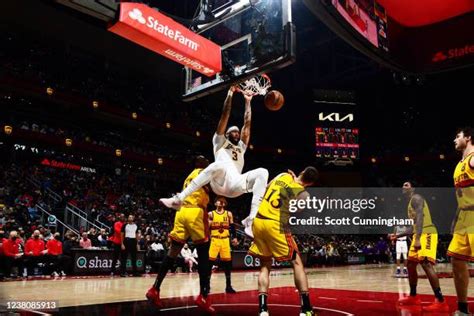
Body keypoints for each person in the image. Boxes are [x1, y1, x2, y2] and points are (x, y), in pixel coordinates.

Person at [160, 87, 268, 237]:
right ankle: (179, 199)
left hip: (235, 185)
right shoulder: (220, 142)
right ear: (227, 134)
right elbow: (225, 115)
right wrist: (230, 94)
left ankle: (251, 220)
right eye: (233, 131)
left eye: (238, 131)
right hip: (220, 182)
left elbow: (247, 125)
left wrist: (248, 102)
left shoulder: (241, 148)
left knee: (263, 172)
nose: (237, 133)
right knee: (219, 165)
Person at [147, 156, 214, 313]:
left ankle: (155, 289)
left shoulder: (188, 176)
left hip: (181, 213)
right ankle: (204, 296)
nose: (210, 164)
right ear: (201, 164)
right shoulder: (206, 173)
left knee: (172, 252)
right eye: (207, 162)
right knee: (204, 255)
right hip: (195, 212)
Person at [248, 167, 319, 316]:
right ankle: (306, 309)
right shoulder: (304, 194)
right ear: (310, 183)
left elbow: (267, 188)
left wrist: (290, 181)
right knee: (297, 262)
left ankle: (263, 310)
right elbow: (294, 210)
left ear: (301, 172)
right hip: (275, 224)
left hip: (259, 221)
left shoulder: (282, 174)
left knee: (265, 266)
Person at [396, 181, 448, 312]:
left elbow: (420, 217)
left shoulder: (416, 198)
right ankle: (413, 296)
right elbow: (413, 226)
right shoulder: (409, 203)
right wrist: (396, 235)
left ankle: (440, 301)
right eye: (402, 185)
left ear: (413, 188)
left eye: (406, 185)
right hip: (419, 234)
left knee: (426, 264)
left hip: (427, 232)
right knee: (410, 264)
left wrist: (418, 238)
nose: (403, 187)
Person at [448, 127, 474, 315]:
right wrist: (455, 218)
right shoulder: (459, 165)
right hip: (463, 218)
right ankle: (463, 309)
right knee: (456, 260)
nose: (455, 140)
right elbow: (460, 196)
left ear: (469, 137)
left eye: (458, 136)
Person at [209, 196, 238, 293]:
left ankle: (228, 286)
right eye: (219, 201)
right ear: (215, 203)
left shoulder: (228, 214)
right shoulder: (211, 214)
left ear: (225, 204)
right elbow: (207, 228)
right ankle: (206, 285)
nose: (221, 203)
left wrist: (234, 237)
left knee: (227, 265)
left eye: (223, 202)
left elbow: (232, 226)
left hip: (225, 240)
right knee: (209, 264)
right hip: (214, 240)